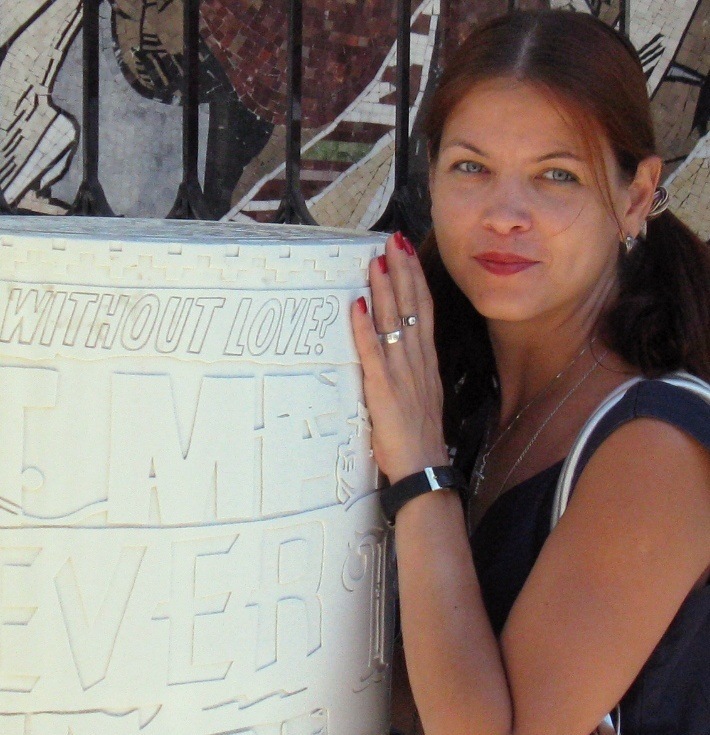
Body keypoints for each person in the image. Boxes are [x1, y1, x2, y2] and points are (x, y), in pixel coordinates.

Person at [350, 9, 710, 735]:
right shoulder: (462, 396)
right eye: (471, 167)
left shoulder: (657, 444)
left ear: (636, 196)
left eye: (556, 175)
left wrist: (419, 469)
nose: (505, 213)